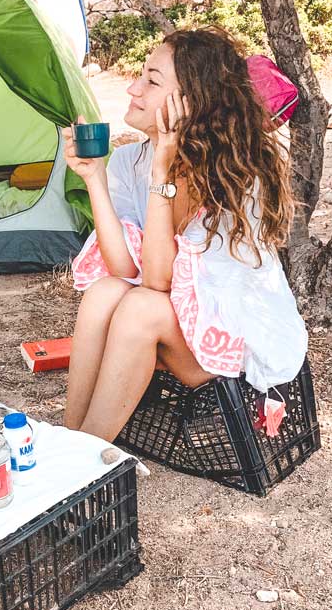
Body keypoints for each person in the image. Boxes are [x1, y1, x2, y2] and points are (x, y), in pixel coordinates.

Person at [64, 26, 308, 442]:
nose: (132, 88)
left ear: (190, 103)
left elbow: (158, 281)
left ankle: (83, 460)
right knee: (105, 291)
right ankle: (70, 438)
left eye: (151, 80)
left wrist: (163, 172)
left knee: (142, 307)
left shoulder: (234, 180)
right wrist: (94, 179)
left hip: (231, 341)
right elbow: (123, 266)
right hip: (171, 323)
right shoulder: (128, 159)